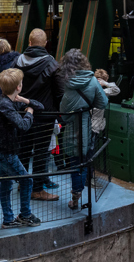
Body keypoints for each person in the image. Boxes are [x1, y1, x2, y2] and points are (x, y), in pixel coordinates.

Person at [14, 29, 64, 199]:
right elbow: (60, 92)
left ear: (29, 42)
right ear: (45, 44)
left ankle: (23, 183)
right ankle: (37, 190)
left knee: (24, 149)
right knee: (41, 152)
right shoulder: (52, 64)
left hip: (22, 113)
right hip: (44, 115)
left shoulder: (17, 61)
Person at [0, 68, 43, 228]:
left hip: (4, 151)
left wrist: (25, 101)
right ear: (18, 87)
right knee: (26, 180)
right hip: (6, 152)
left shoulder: (9, 101)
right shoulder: (5, 105)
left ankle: (8, 219)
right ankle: (25, 215)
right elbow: (23, 125)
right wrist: (29, 112)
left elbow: (40, 106)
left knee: (6, 184)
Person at [58, 49, 109, 210]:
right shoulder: (93, 81)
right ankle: (80, 193)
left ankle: (75, 196)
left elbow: (64, 114)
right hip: (87, 128)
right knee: (85, 160)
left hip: (72, 130)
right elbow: (103, 102)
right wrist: (88, 105)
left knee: (74, 163)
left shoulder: (67, 83)